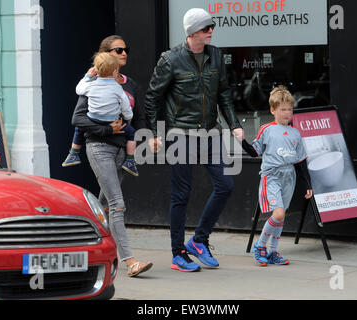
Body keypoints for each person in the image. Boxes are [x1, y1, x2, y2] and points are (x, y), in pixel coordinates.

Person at [144, 8, 245, 272]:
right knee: (181, 195)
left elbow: (223, 92)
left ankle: (199, 240)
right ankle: (178, 253)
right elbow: (152, 98)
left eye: (211, 26)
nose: (210, 31)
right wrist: (155, 132)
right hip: (181, 135)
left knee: (225, 185)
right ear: (192, 32)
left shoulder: (216, 55)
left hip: (211, 132)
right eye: (205, 28)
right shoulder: (171, 59)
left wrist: (234, 124)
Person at [72, 35, 152, 277]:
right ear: (106, 54)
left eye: (126, 49)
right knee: (118, 204)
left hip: (122, 150)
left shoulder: (130, 85)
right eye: (118, 50)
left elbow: (138, 116)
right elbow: (78, 119)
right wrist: (108, 129)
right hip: (100, 148)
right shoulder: (93, 83)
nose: (124, 53)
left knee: (105, 206)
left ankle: (85, 253)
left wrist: (139, 138)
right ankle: (130, 261)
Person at [242, 86, 313, 266]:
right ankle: (260, 246)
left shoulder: (296, 133)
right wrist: (242, 141)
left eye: (289, 109)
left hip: (289, 176)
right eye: (282, 109)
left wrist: (308, 185)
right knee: (279, 213)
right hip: (272, 175)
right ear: (273, 110)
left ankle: (273, 251)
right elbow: (254, 152)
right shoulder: (267, 129)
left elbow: (301, 161)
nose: (286, 113)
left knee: (281, 216)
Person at [73, 52, 138, 176]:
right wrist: (128, 118)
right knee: (132, 134)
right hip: (112, 121)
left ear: (96, 70)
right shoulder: (118, 89)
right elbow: (126, 109)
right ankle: (130, 160)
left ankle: (74, 152)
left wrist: (87, 76)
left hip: (93, 119)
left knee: (79, 128)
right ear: (114, 71)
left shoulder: (90, 85)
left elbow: (78, 89)